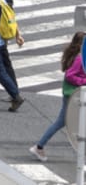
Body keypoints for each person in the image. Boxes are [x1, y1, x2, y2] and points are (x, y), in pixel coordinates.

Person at [29, 31, 86, 162]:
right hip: (73, 94)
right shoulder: (79, 58)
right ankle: (39, 147)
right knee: (65, 122)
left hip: (74, 93)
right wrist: (84, 81)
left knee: (64, 121)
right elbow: (70, 75)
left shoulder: (79, 56)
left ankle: (39, 147)